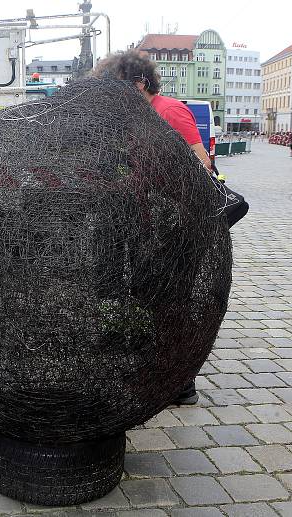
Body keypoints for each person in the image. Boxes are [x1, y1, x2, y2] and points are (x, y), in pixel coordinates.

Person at [91, 49, 209, 405]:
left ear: (140, 84)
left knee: (172, 301)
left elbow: (200, 164)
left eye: (117, 89)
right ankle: (154, 368)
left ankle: (180, 383)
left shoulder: (168, 111)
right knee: (147, 296)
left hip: (175, 225)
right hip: (146, 224)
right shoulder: (135, 118)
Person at [91, 50, 212, 172]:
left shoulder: (169, 111)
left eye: (115, 87)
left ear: (139, 83)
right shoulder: (139, 114)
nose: (112, 95)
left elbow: (203, 164)